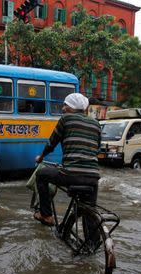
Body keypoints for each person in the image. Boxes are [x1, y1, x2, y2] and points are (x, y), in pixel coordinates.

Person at [34, 93, 101, 227]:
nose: (63, 108)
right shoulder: (96, 123)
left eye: (65, 105)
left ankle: (46, 215)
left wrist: (41, 157)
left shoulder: (66, 119)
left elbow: (51, 143)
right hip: (93, 177)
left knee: (41, 175)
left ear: (71, 107)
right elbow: (97, 149)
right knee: (90, 210)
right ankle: (92, 242)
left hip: (71, 174)